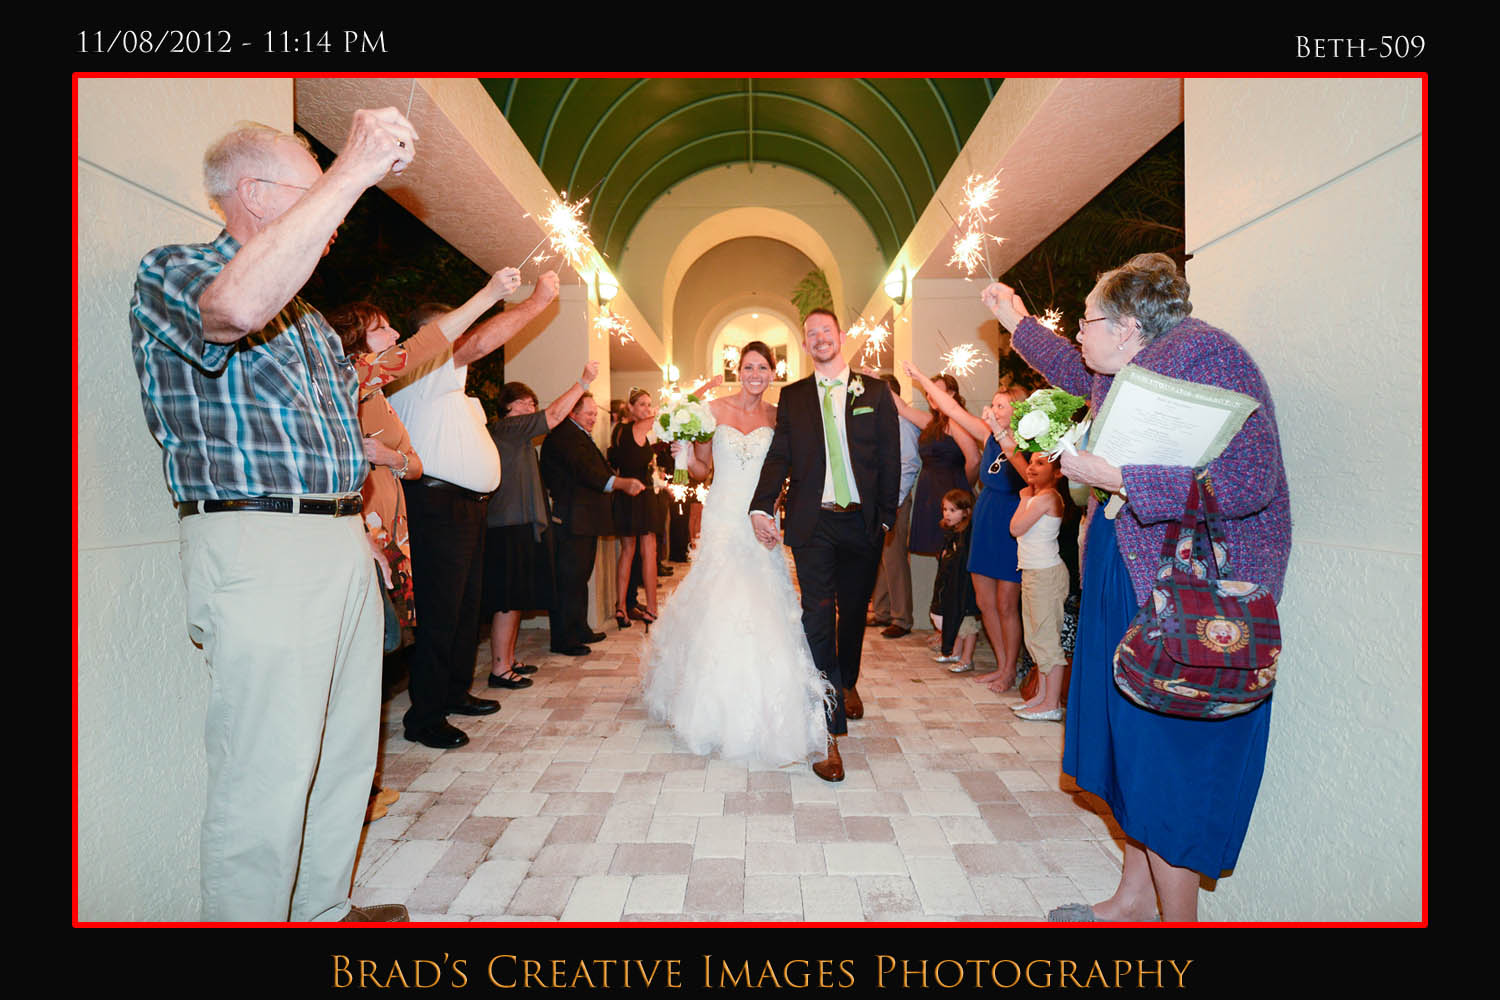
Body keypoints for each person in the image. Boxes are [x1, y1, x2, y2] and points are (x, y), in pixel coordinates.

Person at [128, 110, 417, 921]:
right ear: (253, 193)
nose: (334, 214)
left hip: (337, 538)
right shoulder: (178, 270)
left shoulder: (311, 321)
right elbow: (233, 312)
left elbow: (341, 437)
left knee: (343, 754)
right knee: (267, 768)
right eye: (312, 188)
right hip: (259, 541)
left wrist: (361, 529)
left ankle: (320, 912)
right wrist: (352, 169)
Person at [982, 252, 1291, 922]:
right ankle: (1132, 898)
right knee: (1127, 746)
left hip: (1179, 593)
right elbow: (1072, 368)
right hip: (1123, 574)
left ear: (1126, 328)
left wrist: (1120, 477)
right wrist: (1017, 321)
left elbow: (1249, 481)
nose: (1078, 334)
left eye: (1086, 321)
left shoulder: (1210, 356)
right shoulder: (1126, 364)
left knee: (1164, 757)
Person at [383, 272, 560, 750]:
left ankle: (454, 691)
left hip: (468, 509)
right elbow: (478, 342)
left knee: (465, 610)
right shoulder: (419, 372)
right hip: (436, 504)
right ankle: (425, 716)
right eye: (454, 328)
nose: (462, 337)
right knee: (441, 612)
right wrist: (536, 302)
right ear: (431, 336)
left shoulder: (454, 392)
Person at [641, 342, 834, 765]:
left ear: (772, 373)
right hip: (724, 516)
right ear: (738, 370)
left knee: (763, 598)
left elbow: (787, 468)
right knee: (720, 598)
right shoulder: (711, 410)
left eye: (763, 368)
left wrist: (777, 510)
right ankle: (709, 702)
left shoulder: (778, 416)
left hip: (762, 519)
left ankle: (769, 700)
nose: (755, 374)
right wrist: (683, 452)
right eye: (748, 367)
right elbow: (702, 470)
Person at [748, 310, 901, 782]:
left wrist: (886, 517)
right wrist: (761, 505)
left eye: (825, 331)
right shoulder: (793, 397)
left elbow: (890, 455)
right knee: (817, 615)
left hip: (862, 522)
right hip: (812, 524)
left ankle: (848, 679)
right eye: (811, 333)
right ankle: (826, 731)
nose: (819, 338)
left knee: (852, 612)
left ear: (841, 337)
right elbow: (780, 456)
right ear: (805, 344)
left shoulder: (874, 392)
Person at [903, 364, 1032, 689]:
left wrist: (1003, 435)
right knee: (985, 602)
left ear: (1017, 410)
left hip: (1010, 522)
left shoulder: (1028, 443)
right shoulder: (988, 435)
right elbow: (952, 409)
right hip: (984, 520)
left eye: (1001, 405)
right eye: (993, 404)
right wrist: (920, 377)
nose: (993, 409)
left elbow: (1026, 476)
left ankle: (1011, 669)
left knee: (1006, 604)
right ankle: (1002, 666)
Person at [482, 361, 599, 688]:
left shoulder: (518, 437)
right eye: (525, 403)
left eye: (533, 403)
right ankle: (500, 668)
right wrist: (582, 381)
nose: (531, 408)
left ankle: (507, 658)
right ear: (508, 407)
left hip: (520, 524)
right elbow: (555, 414)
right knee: (507, 601)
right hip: (507, 525)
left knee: (516, 598)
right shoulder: (507, 428)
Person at [540, 394, 647, 657]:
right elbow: (585, 471)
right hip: (571, 516)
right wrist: (620, 483)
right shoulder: (563, 436)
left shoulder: (577, 434)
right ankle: (565, 639)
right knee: (569, 578)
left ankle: (579, 628)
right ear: (572, 413)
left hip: (584, 518)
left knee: (581, 576)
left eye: (595, 414)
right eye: (589, 413)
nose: (593, 418)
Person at [891, 372, 979, 557]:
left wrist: (964, 486)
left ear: (952, 394)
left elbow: (974, 460)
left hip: (951, 492)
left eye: (936, 391)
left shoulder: (956, 422)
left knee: (955, 552)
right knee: (941, 551)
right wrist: (877, 382)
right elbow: (903, 408)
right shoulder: (932, 422)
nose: (931, 396)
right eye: (929, 392)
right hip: (929, 493)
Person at [1009, 452, 1069, 721]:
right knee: (1035, 638)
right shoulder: (1038, 497)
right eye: (1031, 462)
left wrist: (1023, 498)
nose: (1031, 467)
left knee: (1046, 639)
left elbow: (1015, 528)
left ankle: (1052, 703)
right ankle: (1042, 696)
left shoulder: (1048, 498)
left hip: (1046, 575)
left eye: (1040, 463)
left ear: (1057, 472)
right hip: (1033, 572)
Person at [866, 372, 921, 638]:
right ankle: (882, 610)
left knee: (895, 558)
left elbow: (909, 464)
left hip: (896, 498)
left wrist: (895, 500)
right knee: (881, 557)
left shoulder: (903, 422)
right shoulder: (879, 419)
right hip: (878, 499)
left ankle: (902, 618)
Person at [609, 388, 662, 627]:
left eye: (649, 404)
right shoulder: (638, 428)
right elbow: (672, 413)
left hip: (623, 495)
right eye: (642, 404)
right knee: (649, 551)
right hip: (640, 494)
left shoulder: (618, 431)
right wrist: (707, 387)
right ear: (630, 408)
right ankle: (652, 608)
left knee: (627, 552)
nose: (647, 409)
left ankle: (621, 607)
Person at [930, 489, 982, 673]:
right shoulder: (953, 533)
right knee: (957, 623)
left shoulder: (967, 535)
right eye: (945, 509)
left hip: (965, 590)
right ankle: (955, 653)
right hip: (954, 587)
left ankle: (967, 659)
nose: (947, 514)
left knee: (968, 626)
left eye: (953, 510)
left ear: (966, 512)